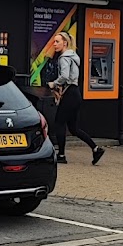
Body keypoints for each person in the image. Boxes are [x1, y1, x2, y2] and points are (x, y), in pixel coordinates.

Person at [47, 31, 105, 165]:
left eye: (57, 42)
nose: (54, 44)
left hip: (69, 95)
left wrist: (53, 83)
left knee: (59, 123)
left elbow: (65, 76)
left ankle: (61, 155)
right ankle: (96, 149)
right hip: (75, 93)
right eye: (54, 41)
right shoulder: (73, 56)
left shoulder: (64, 58)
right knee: (73, 128)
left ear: (65, 43)